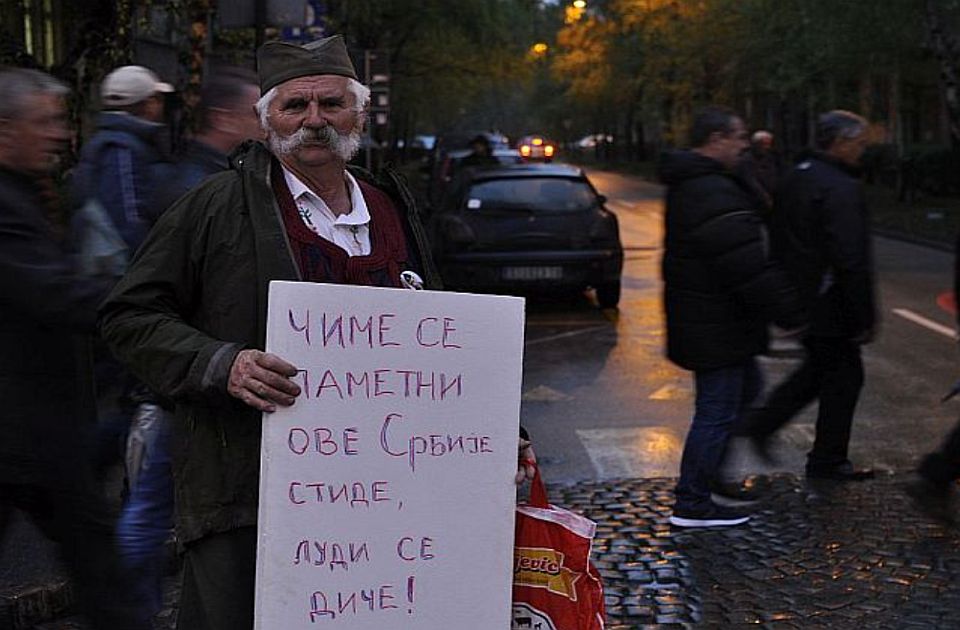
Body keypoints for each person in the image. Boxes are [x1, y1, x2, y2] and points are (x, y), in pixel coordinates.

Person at [99, 36, 535, 629]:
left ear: (359, 112)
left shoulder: (391, 207)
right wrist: (221, 363)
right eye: (294, 107)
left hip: (394, 503)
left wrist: (499, 432)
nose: (313, 122)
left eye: (330, 104)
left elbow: (446, 345)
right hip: (251, 497)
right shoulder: (215, 207)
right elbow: (128, 316)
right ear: (266, 120)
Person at [0, 66, 151, 630]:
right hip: (27, 428)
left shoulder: (23, 192)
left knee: (98, 564)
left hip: (32, 427)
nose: (59, 134)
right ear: (4, 130)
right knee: (99, 568)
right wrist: (137, 303)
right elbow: (49, 289)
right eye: (45, 122)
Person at [115, 66, 262, 619]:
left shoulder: (208, 176)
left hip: (183, 383)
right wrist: (215, 360)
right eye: (257, 114)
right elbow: (143, 302)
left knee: (150, 510)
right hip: (177, 391)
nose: (267, 126)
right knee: (152, 511)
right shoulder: (201, 189)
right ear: (227, 118)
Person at [659, 106, 806, 528]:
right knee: (717, 410)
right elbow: (744, 262)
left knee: (744, 391)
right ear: (715, 139)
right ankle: (692, 502)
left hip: (716, 319)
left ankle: (711, 480)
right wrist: (787, 311)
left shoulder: (707, 183)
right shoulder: (708, 190)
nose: (745, 145)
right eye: (739, 137)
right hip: (715, 322)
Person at [738, 110, 877, 481]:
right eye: (860, 144)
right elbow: (849, 257)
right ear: (840, 142)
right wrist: (863, 316)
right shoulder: (839, 186)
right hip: (831, 301)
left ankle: (766, 425)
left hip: (802, 297)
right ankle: (826, 459)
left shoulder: (796, 178)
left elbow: (780, 240)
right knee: (845, 377)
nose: (862, 152)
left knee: (820, 372)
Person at [72, 64, 175, 250]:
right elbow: (129, 219)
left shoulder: (111, 141)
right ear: (149, 103)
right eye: (157, 99)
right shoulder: (122, 150)